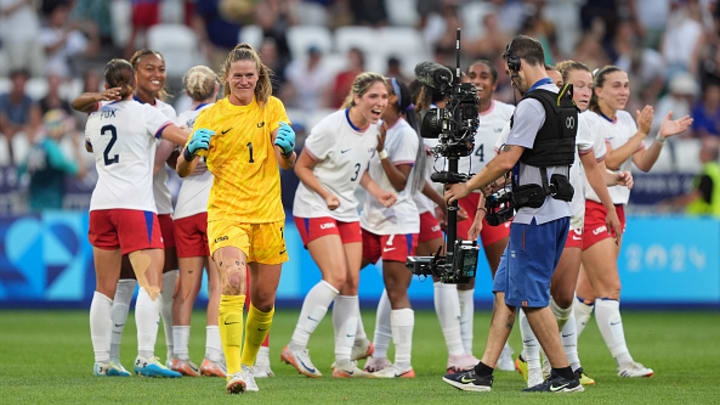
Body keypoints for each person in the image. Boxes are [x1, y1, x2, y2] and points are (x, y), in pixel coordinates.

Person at [442, 35, 583, 393]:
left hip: (534, 216)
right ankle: (484, 373)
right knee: (506, 291)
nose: (511, 79)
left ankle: (565, 375)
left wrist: (468, 187)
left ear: (521, 63)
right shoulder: (563, 103)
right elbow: (541, 157)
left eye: (511, 71)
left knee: (531, 298)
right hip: (555, 209)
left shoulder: (532, 105)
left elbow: (509, 158)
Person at [176, 42, 297, 394]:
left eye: (249, 75)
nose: (244, 81)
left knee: (263, 300)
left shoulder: (272, 107)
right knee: (232, 282)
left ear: (258, 77)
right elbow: (184, 170)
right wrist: (188, 150)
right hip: (227, 212)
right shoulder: (210, 116)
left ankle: (247, 363)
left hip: (268, 213)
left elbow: (285, 161)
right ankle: (234, 372)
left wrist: (289, 148)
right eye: (237, 76)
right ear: (226, 78)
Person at [512, 60, 634, 387]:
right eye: (577, 85)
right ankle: (541, 367)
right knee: (536, 291)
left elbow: (590, 170)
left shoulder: (587, 124)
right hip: (542, 214)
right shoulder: (542, 115)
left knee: (565, 297)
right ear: (561, 86)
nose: (583, 92)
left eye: (588, 86)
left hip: (574, 215)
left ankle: (558, 362)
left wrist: (612, 192)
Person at [572, 65, 692, 378]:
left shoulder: (624, 120)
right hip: (591, 207)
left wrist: (660, 139)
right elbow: (606, 163)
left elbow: (643, 164)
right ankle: (625, 362)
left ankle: (548, 357)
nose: (624, 91)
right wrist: (641, 133)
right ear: (598, 91)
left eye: (626, 85)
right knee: (610, 286)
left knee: (586, 292)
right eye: (616, 86)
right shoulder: (588, 120)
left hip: (617, 208)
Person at [77, 58, 188, 377]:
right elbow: (179, 137)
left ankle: (102, 362)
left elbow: (89, 147)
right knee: (151, 284)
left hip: (101, 206)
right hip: (136, 206)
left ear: (107, 82)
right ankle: (145, 357)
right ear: (132, 82)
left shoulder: (94, 116)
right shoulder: (145, 113)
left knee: (104, 288)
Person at [282, 72, 395, 378]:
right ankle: (296, 345)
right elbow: (301, 166)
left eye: (384, 97)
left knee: (350, 284)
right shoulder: (330, 128)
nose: (380, 102)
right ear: (356, 97)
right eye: (373, 96)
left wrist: (377, 192)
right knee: (335, 276)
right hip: (315, 206)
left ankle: (344, 362)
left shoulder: (374, 131)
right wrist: (325, 194)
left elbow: (361, 172)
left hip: (346, 210)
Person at [107, 49, 179, 374]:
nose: (157, 74)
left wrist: (190, 162)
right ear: (133, 72)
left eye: (161, 69)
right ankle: (113, 357)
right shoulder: (120, 111)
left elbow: (173, 161)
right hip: (130, 205)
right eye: (149, 68)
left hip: (159, 206)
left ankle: (175, 355)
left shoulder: (166, 110)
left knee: (166, 285)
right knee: (124, 284)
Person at [359, 77, 424, 378]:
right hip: (370, 220)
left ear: (394, 100)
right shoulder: (372, 128)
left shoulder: (405, 135)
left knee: (397, 290)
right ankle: (355, 349)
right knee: (342, 276)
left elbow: (400, 183)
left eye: (384, 93)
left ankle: (403, 364)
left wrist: (383, 152)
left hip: (398, 221)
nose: (379, 98)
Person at [455, 59, 515, 372]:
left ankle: (501, 352)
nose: (477, 81)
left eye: (484, 76)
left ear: (494, 83)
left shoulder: (507, 114)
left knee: (502, 277)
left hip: (494, 200)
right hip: (461, 201)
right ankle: (463, 350)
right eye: (472, 75)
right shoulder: (453, 115)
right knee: (463, 276)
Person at [168, 65, 225, 378]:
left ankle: (179, 356)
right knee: (217, 285)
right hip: (215, 207)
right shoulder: (222, 116)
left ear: (188, 92)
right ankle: (212, 357)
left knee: (186, 287)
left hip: (185, 209)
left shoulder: (179, 121)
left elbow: (165, 157)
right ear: (217, 88)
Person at [17, 109, 86, 211]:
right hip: (51, 211)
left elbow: (20, 173)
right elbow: (81, 173)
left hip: (33, 212)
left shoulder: (34, 148)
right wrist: (76, 148)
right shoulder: (53, 150)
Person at [663, 137, 720, 217]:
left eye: (702, 150)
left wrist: (672, 204)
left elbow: (696, 196)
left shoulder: (709, 172)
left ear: (708, 154)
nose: (699, 153)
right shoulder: (716, 170)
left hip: (707, 218)